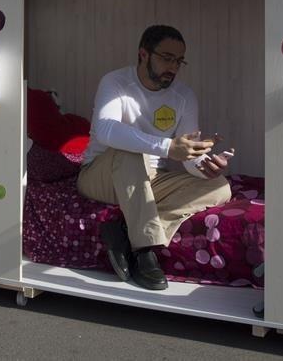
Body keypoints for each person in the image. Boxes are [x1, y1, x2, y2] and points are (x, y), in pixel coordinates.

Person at [77, 25, 232, 291]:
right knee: (128, 151)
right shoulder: (115, 83)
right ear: (143, 54)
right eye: (166, 58)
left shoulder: (184, 96)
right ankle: (144, 250)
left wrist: (203, 165)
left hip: (150, 179)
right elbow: (106, 130)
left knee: (220, 187)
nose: (173, 66)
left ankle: (126, 232)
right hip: (100, 174)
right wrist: (168, 147)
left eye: (179, 61)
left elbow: (185, 155)